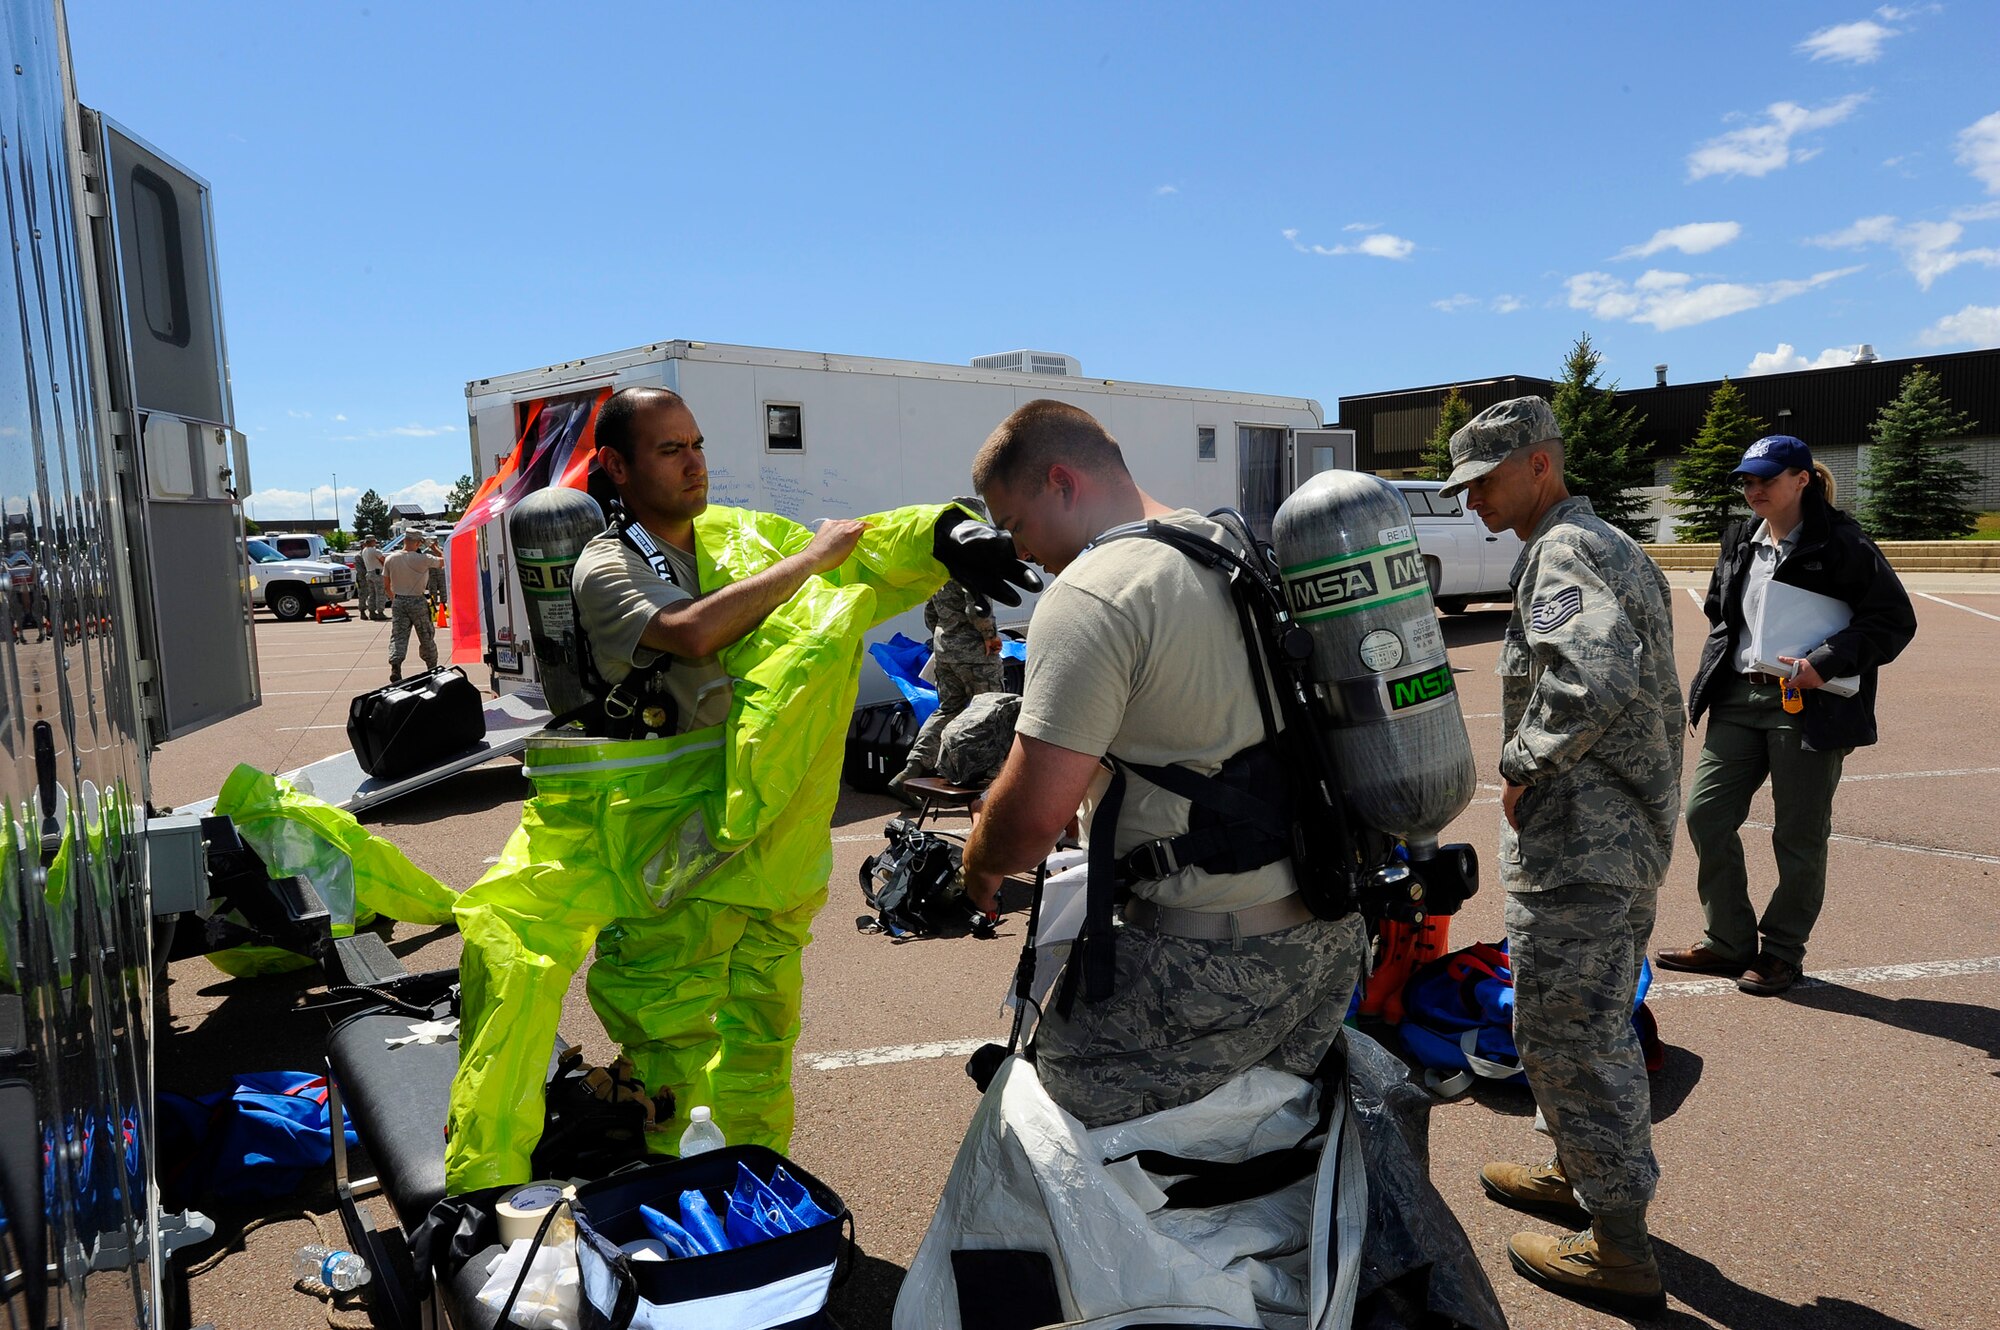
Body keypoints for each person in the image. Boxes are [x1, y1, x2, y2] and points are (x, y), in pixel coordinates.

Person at [443, 386, 1038, 1191]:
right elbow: (693, 632)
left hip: (765, 836)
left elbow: (856, 550)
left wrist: (942, 530)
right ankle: (556, 1196)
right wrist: (810, 563)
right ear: (616, 467)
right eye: (669, 450)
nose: (694, 464)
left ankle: (755, 1182)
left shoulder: (736, 537)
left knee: (762, 1024)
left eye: (696, 444)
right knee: (663, 1023)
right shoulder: (605, 565)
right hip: (661, 834)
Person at [960, 398, 1368, 1128]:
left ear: (1061, 481)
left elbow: (1027, 825)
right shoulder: (1226, 545)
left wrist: (980, 857)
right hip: (1327, 934)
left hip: (1208, 958)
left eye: (1015, 524)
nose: (1017, 550)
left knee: (1044, 1133)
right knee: (1261, 1149)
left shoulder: (1092, 593)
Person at [1442, 396, 1683, 1317]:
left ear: (1539, 464)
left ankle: (1618, 1245)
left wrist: (1521, 763)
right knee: (1576, 1019)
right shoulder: (1604, 543)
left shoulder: (1565, 551)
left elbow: (1594, 674)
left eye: (1485, 481)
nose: (1471, 502)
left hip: (1584, 842)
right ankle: (1572, 1168)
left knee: (1569, 1033)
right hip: (1615, 835)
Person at [1658, 436, 1915, 996]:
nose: (1753, 490)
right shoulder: (1739, 539)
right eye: (1746, 481)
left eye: (1765, 479)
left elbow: (1893, 620)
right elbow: (1721, 613)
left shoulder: (1842, 543)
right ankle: (1727, 940)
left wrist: (1824, 663)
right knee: (1704, 814)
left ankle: (1781, 951)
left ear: (1801, 479)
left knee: (1798, 835)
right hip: (1738, 697)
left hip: (1809, 704)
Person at [889, 538, 1005, 795]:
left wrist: (945, 637)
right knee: (990, 711)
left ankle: (912, 769)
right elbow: (977, 605)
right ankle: (992, 782)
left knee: (947, 710)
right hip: (975, 652)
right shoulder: (972, 561)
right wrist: (989, 636)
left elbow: (930, 612)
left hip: (945, 649)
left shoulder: (939, 565)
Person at [382, 527, 442, 681]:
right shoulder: (423, 559)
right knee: (426, 634)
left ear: (404, 541)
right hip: (417, 600)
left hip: (399, 600)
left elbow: (386, 586)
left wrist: (394, 598)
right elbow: (443, 561)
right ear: (418, 543)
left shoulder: (390, 558)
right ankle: (432, 667)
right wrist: (434, 547)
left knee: (398, 636)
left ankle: (396, 666)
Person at [356, 536, 386, 620]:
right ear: (372, 542)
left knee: (372, 594)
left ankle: (372, 611)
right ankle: (380, 612)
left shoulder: (364, 551)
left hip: (369, 573)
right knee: (380, 593)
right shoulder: (375, 551)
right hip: (377, 573)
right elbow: (384, 560)